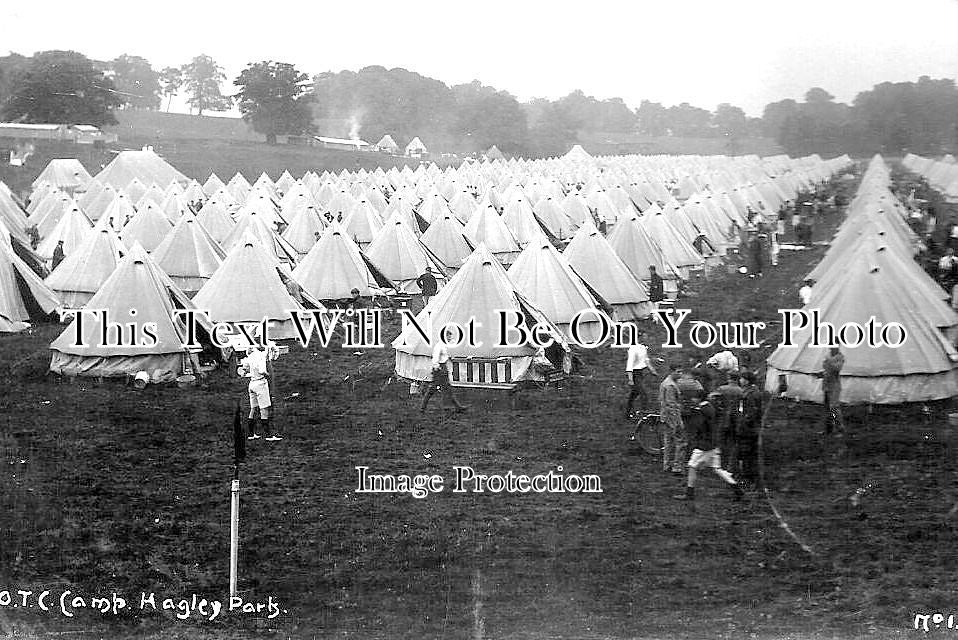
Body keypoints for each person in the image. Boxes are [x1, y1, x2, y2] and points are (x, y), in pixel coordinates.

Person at [674, 388, 744, 503]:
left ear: (698, 398)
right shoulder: (710, 407)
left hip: (704, 445)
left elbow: (699, 426)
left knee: (692, 466)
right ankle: (737, 489)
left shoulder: (702, 410)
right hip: (713, 443)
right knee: (717, 469)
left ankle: (689, 493)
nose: (692, 399)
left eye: (694, 398)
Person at [240, 343, 282, 441]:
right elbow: (262, 370)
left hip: (252, 383)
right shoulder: (261, 356)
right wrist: (268, 375)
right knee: (264, 410)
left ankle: (251, 434)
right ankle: (269, 435)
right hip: (261, 384)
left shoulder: (250, 355)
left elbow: (245, 368)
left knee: (253, 409)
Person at [420, 328, 466, 413]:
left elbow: (444, 356)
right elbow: (435, 358)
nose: (450, 339)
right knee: (433, 389)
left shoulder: (444, 345)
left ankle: (458, 407)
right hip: (439, 369)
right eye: (449, 337)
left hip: (443, 367)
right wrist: (437, 368)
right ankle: (422, 407)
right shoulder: (439, 346)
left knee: (447, 388)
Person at [658, 364, 686, 474]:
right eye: (678, 372)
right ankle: (677, 467)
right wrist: (678, 421)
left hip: (665, 416)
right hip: (672, 417)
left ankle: (666, 465)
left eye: (681, 372)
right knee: (681, 441)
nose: (680, 374)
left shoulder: (666, 382)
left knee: (668, 441)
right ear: (672, 372)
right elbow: (671, 405)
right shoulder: (670, 386)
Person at [625, 331, 657, 417]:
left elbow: (646, 360)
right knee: (643, 394)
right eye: (645, 336)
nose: (647, 338)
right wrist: (630, 379)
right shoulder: (633, 349)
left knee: (634, 393)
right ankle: (644, 413)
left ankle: (628, 412)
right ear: (639, 337)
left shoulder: (643, 347)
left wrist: (652, 370)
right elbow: (629, 365)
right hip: (634, 374)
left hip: (640, 373)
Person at [738, 371, 763, 482]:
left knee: (747, 452)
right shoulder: (752, 391)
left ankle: (748, 476)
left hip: (749, 429)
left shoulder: (751, 394)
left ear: (747, 381)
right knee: (748, 452)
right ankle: (749, 475)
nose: (740, 380)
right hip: (751, 427)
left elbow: (752, 412)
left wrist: (744, 422)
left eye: (742, 378)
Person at [821, 346, 845, 436]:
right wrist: (822, 374)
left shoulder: (840, 357)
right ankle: (829, 428)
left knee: (834, 408)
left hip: (834, 386)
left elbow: (837, 369)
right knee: (827, 408)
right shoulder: (828, 356)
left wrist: (829, 362)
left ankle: (839, 428)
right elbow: (826, 369)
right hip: (827, 385)